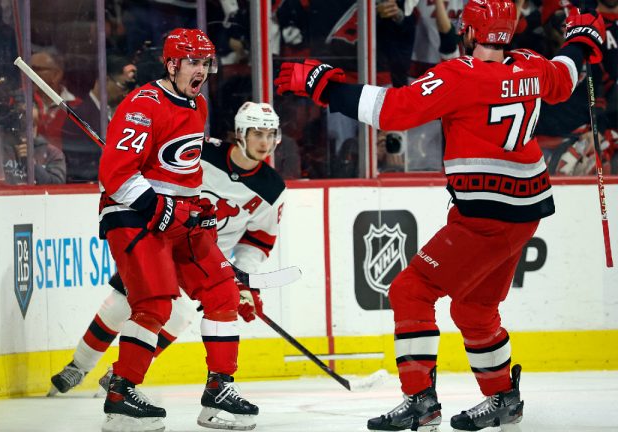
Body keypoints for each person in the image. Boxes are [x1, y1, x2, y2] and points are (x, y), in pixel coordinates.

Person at [275, 0, 604, 430]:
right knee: (474, 308)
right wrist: (583, 40)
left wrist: (325, 86)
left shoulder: (460, 76)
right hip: (525, 209)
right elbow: (566, 75)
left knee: (411, 290)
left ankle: (420, 401)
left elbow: (394, 109)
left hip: (486, 215)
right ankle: (503, 397)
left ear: (469, 32)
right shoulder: (531, 65)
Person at [49, 101, 285, 399]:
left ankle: (119, 374)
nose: (264, 142)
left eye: (270, 134)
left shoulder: (273, 187)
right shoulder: (203, 151)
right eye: (257, 134)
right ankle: (79, 366)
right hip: (163, 238)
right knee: (122, 303)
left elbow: (258, 240)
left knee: (179, 315)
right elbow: (160, 170)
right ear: (241, 133)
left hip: (200, 257)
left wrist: (242, 281)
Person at [96, 28, 259, 432]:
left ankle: (218, 392)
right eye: (193, 62)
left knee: (223, 292)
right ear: (171, 64)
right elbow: (115, 175)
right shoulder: (142, 105)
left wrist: (198, 204)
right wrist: (157, 206)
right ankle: (121, 396)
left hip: (177, 217)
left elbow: (183, 168)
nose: (201, 70)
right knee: (155, 304)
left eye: (206, 63)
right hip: (130, 214)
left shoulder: (198, 104)